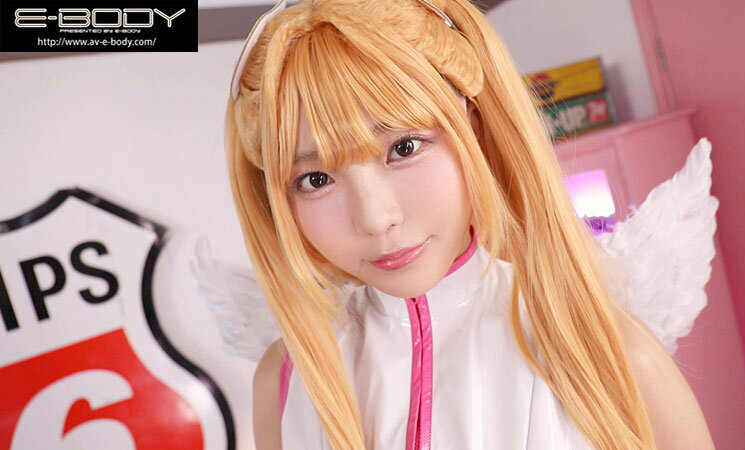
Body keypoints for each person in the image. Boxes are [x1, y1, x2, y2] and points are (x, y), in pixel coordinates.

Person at [224, 0, 715, 448]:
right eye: (315, 179)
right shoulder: (284, 382)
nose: (375, 219)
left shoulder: (616, 356)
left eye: (404, 148)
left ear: (473, 127)